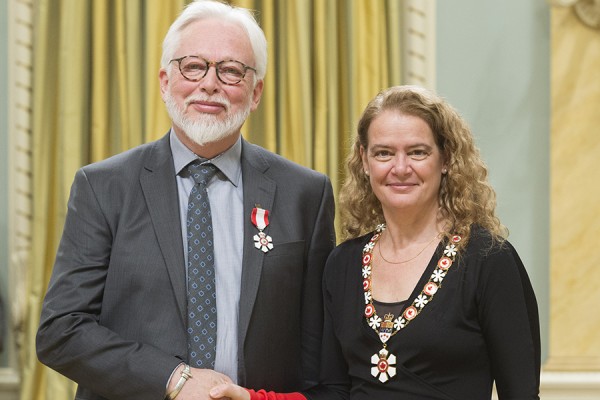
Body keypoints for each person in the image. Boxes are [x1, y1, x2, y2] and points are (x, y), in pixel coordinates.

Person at [35, 1, 335, 399]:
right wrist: (172, 378)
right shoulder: (103, 187)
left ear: (256, 91)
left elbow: (317, 362)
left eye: (230, 71)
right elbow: (60, 332)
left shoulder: (306, 194)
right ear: (164, 80)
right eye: (193, 66)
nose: (210, 84)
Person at [210, 85, 541, 400]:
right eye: (384, 153)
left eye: (417, 152)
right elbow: (335, 392)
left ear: (446, 159)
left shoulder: (488, 259)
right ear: (364, 160)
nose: (400, 168)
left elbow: (521, 394)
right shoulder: (343, 264)